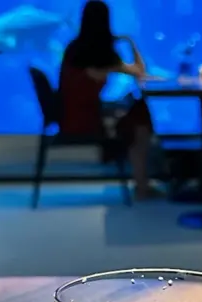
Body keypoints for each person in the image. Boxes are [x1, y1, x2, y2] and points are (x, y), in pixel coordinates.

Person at [59, 0, 156, 199]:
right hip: (85, 119)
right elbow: (140, 71)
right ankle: (142, 186)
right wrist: (129, 40)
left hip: (70, 114)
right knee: (140, 119)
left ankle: (141, 183)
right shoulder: (102, 53)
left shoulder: (74, 48)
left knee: (137, 112)